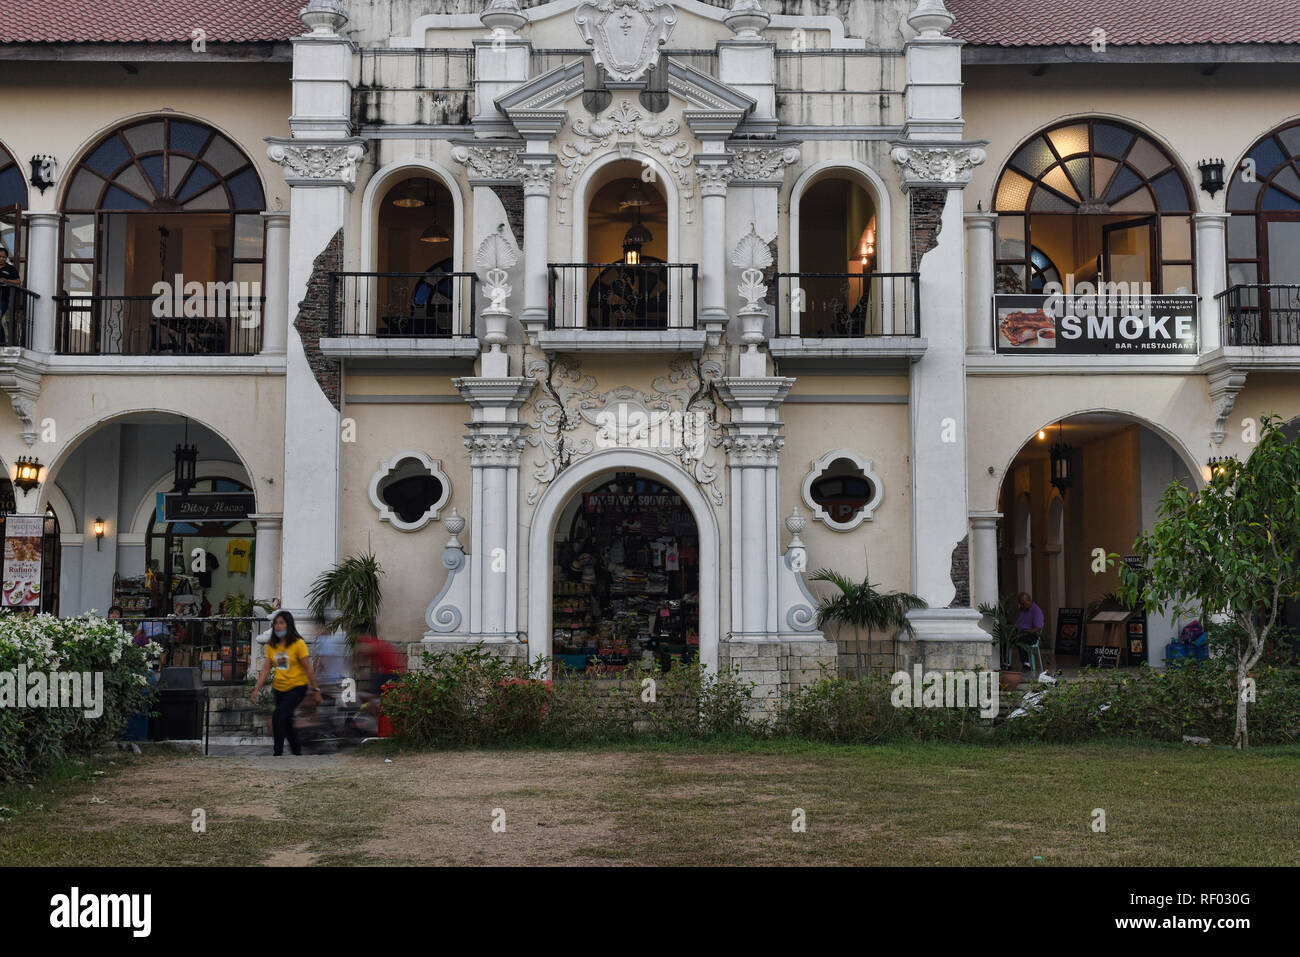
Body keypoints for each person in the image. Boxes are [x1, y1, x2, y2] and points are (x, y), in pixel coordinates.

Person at [250, 610, 322, 756]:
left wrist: (315, 690)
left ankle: (277, 753)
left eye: (281, 623)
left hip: (297, 687)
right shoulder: (272, 645)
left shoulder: (298, 644)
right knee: (287, 721)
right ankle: (297, 751)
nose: (278, 626)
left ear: (288, 625)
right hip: (279, 688)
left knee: (278, 716)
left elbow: (308, 668)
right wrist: (256, 689)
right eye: (275, 623)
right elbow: (265, 669)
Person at [1015, 591, 1044, 672]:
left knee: (1021, 639)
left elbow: (1038, 627)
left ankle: (1026, 664)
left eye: (1023, 603)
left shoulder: (1036, 610)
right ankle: (1006, 662)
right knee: (1005, 638)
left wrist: (1027, 631)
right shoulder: (1022, 610)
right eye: (1021, 604)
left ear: (1029, 600)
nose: (1022, 606)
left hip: (1032, 634)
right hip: (1020, 632)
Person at [0, 247, 19, 346]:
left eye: (4, 257)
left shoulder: (10, 269)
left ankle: (2, 341)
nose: (2, 259)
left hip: (3, 299)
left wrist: (5, 280)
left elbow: (18, 281)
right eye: (0, 257)